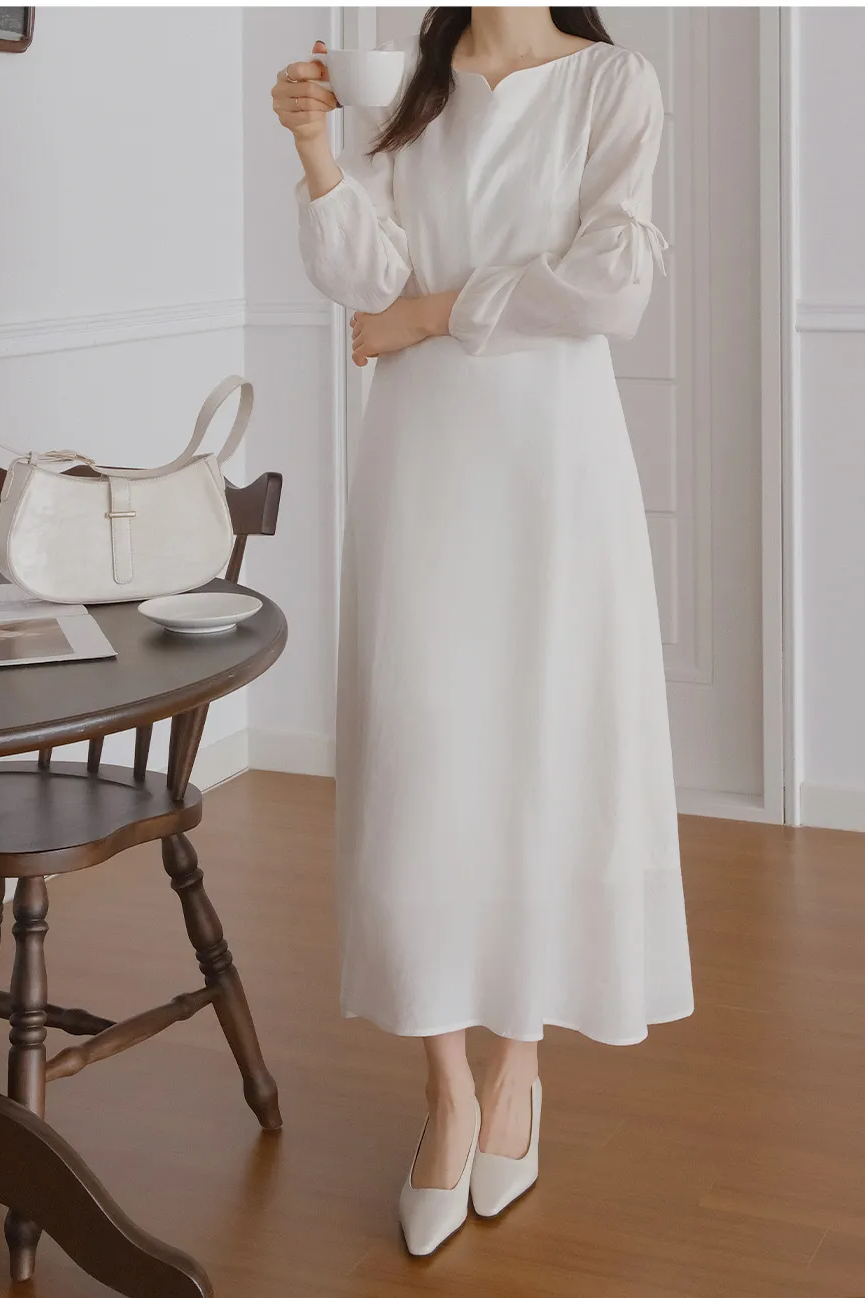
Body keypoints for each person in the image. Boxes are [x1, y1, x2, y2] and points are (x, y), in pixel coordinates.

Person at [272, 5, 694, 1256]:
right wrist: (316, 151)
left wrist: (432, 316)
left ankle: (517, 1068)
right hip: (423, 463)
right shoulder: (408, 82)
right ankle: (446, 1090)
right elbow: (366, 281)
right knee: (424, 765)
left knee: (542, 759)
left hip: (554, 465)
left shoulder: (613, 82)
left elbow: (611, 283)